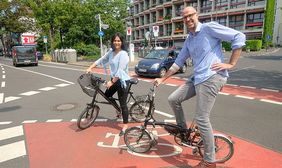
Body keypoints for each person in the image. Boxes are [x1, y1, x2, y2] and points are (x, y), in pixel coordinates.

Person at [154, 7, 246, 168]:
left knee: (202, 119)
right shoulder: (189, 39)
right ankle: (182, 128)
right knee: (173, 99)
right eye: (185, 17)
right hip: (197, 78)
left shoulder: (209, 28)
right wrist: (162, 79)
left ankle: (210, 161)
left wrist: (231, 64)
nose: (188, 19)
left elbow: (239, 36)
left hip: (211, 77)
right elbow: (178, 63)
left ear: (196, 15)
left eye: (191, 15)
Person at [86, 32, 130, 136]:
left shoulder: (123, 54)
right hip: (114, 79)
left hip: (122, 81)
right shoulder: (111, 52)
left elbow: (120, 70)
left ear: (122, 42)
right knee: (107, 96)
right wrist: (90, 67)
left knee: (123, 104)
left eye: (119, 40)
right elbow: (102, 59)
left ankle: (125, 126)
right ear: (112, 42)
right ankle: (118, 110)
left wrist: (112, 82)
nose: (116, 42)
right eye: (115, 40)